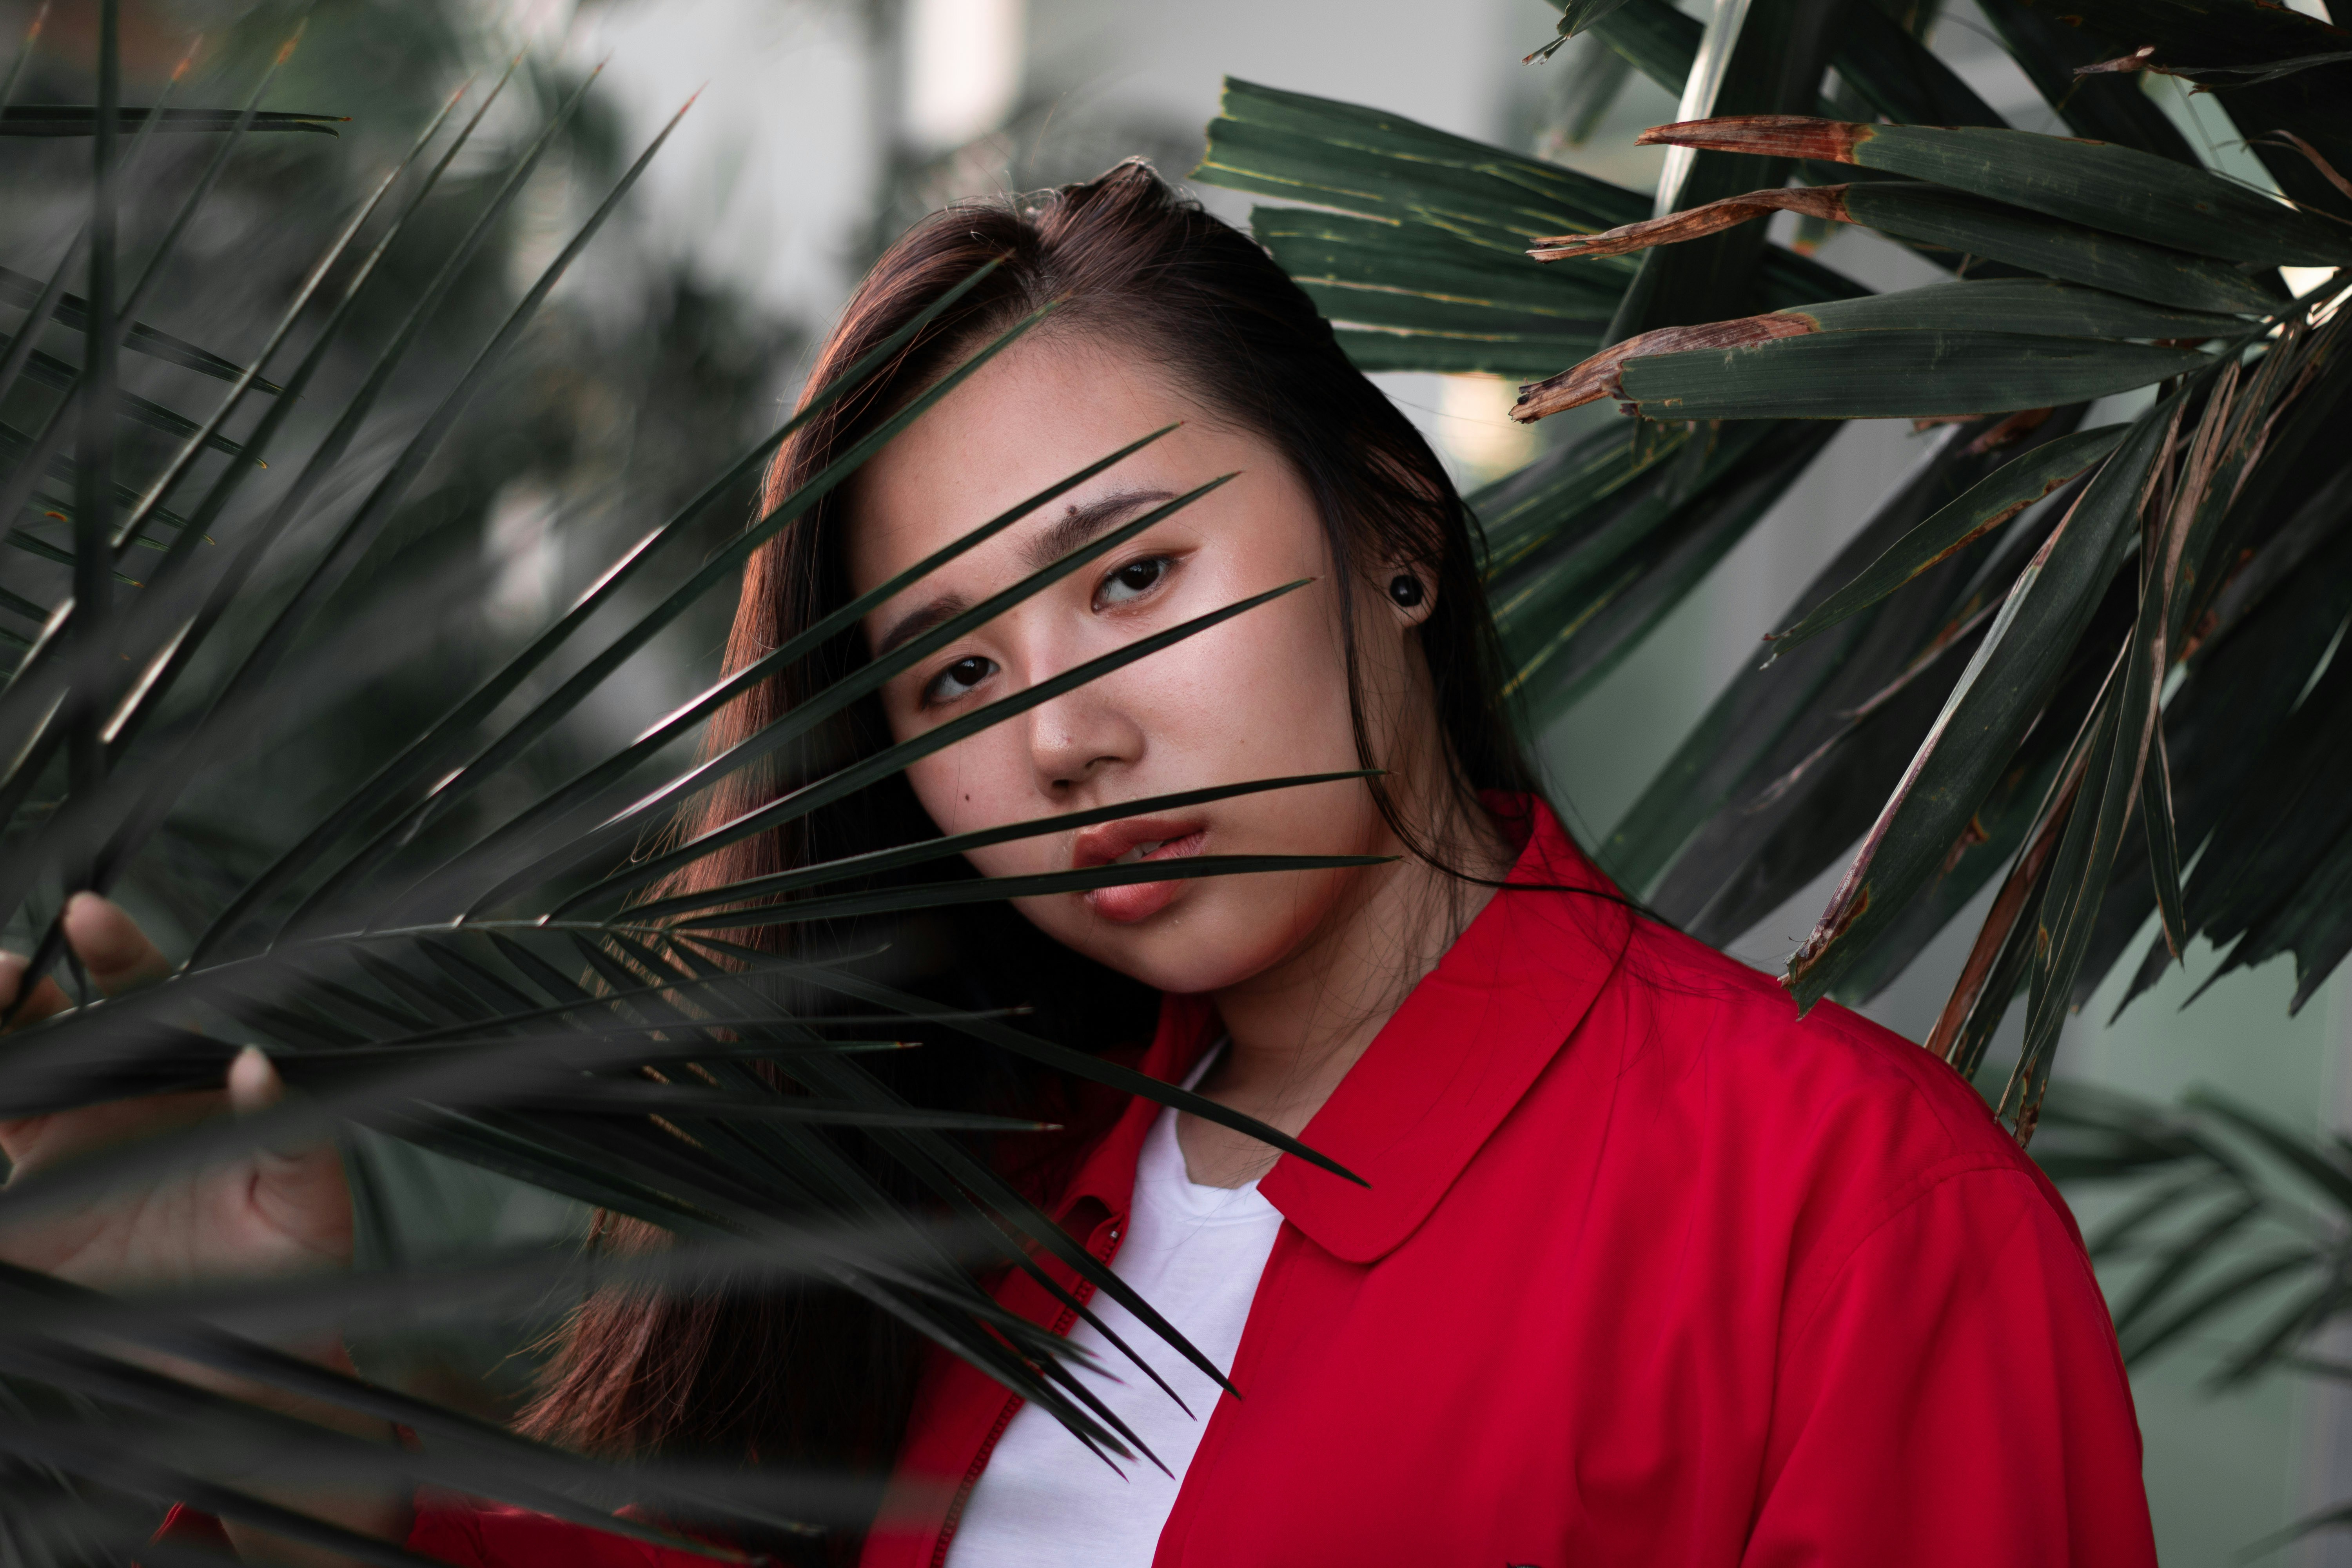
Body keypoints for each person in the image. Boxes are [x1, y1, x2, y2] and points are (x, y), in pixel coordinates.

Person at [2, 161, 2156, 1568]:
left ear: (1389, 538)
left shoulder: (1843, 1219)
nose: (1062, 736)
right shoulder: (965, 1189)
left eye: (1129, 578)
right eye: (949, 677)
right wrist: (285, 1413)